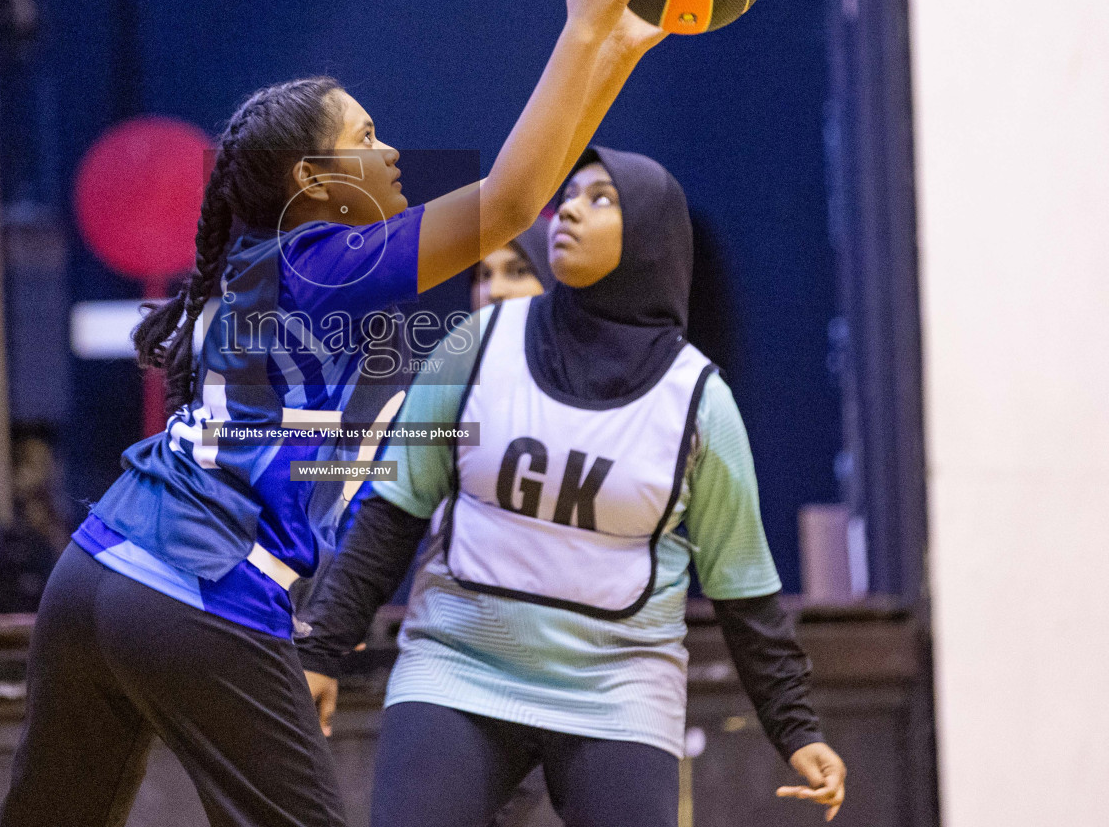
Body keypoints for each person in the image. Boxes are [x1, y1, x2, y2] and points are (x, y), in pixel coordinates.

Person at [0, 0, 670, 827]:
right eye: (364, 138)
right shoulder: (325, 265)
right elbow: (510, 199)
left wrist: (612, 53)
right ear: (315, 184)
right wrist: (583, 35)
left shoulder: (272, 274)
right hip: (197, 589)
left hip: (91, 577)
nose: (390, 151)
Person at [298, 148, 849, 827]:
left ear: (648, 237)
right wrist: (321, 649)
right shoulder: (476, 340)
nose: (568, 211)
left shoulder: (700, 402)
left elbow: (743, 586)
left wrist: (797, 729)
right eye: (568, 195)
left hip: (618, 689)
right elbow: (394, 511)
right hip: (460, 666)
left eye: (601, 200)